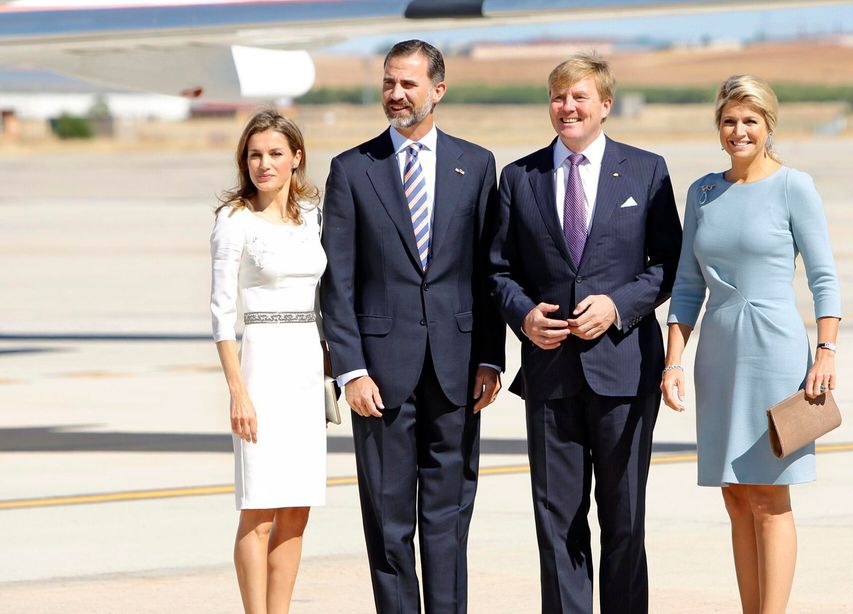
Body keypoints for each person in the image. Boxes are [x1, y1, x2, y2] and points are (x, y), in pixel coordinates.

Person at [488, 53, 682, 614]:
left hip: (623, 371)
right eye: (557, 97)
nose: (566, 107)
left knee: (624, 522)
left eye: (578, 97)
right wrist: (523, 316)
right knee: (558, 523)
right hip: (550, 376)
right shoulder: (518, 177)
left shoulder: (646, 170)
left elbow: (668, 264)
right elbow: (498, 270)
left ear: (604, 105)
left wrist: (619, 305)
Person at [319, 39, 505, 614]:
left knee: (448, 519)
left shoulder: (476, 166)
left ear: (438, 90)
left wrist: (490, 358)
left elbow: (487, 269)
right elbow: (337, 283)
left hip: (456, 372)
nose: (396, 95)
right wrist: (349, 369)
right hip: (378, 376)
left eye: (408, 84)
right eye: (389, 83)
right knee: (389, 518)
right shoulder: (352, 170)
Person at [661, 75, 842, 614]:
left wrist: (827, 352)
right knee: (736, 495)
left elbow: (824, 278)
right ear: (718, 128)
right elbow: (688, 284)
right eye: (729, 120)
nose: (738, 130)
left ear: (768, 126)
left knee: (768, 494)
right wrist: (674, 359)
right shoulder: (703, 192)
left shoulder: (794, 187)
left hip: (776, 348)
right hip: (718, 352)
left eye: (750, 121)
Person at [210, 110, 327, 614]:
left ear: (296, 158)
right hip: (260, 366)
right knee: (257, 508)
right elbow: (220, 313)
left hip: (306, 368)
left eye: (276, 153)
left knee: (296, 509)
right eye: (255, 154)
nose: (265, 164)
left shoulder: (313, 218)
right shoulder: (234, 220)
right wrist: (238, 391)